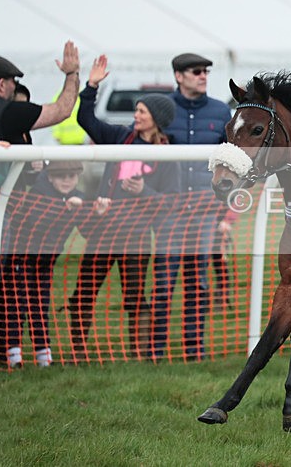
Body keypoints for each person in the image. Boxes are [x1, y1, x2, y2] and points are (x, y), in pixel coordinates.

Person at [0, 41, 80, 371]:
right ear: (2, 84)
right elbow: (62, 110)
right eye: (13, 83)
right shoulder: (8, 113)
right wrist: (72, 74)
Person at [69, 55, 181, 361]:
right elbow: (86, 121)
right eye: (137, 110)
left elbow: (171, 202)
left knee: (135, 298)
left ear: (156, 118)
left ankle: (138, 355)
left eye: (142, 111)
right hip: (102, 232)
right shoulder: (120, 136)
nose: (136, 114)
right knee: (83, 294)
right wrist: (91, 86)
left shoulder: (168, 155)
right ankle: (77, 353)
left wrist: (144, 191)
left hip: (137, 238)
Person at [151, 52, 232, 361]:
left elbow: (231, 162)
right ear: (178, 76)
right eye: (196, 71)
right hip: (168, 212)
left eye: (206, 71)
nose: (203, 76)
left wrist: (225, 211)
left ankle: (194, 350)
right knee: (163, 282)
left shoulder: (221, 111)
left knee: (198, 283)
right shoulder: (161, 109)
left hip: (205, 212)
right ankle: (156, 351)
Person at [0, 160, 85, 368]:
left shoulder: (78, 197)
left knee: (40, 306)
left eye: (71, 176)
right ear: (50, 177)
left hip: (45, 262)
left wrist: (95, 212)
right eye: (61, 176)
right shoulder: (38, 193)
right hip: (21, 258)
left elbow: (86, 229)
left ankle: (43, 356)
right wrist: (65, 209)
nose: (66, 181)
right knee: (16, 306)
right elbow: (38, 223)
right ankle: (12, 355)